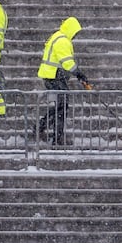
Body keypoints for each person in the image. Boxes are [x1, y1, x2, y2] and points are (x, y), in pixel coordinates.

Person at [35, 17, 89, 146]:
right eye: (75, 32)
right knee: (62, 108)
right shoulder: (62, 41)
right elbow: (67, 63)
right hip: (54, 76)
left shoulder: (58, 36)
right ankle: (56, 137)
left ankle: (41, 128)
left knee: (60, 107)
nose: (75, 36)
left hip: (52, 76)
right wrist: (80, 74)